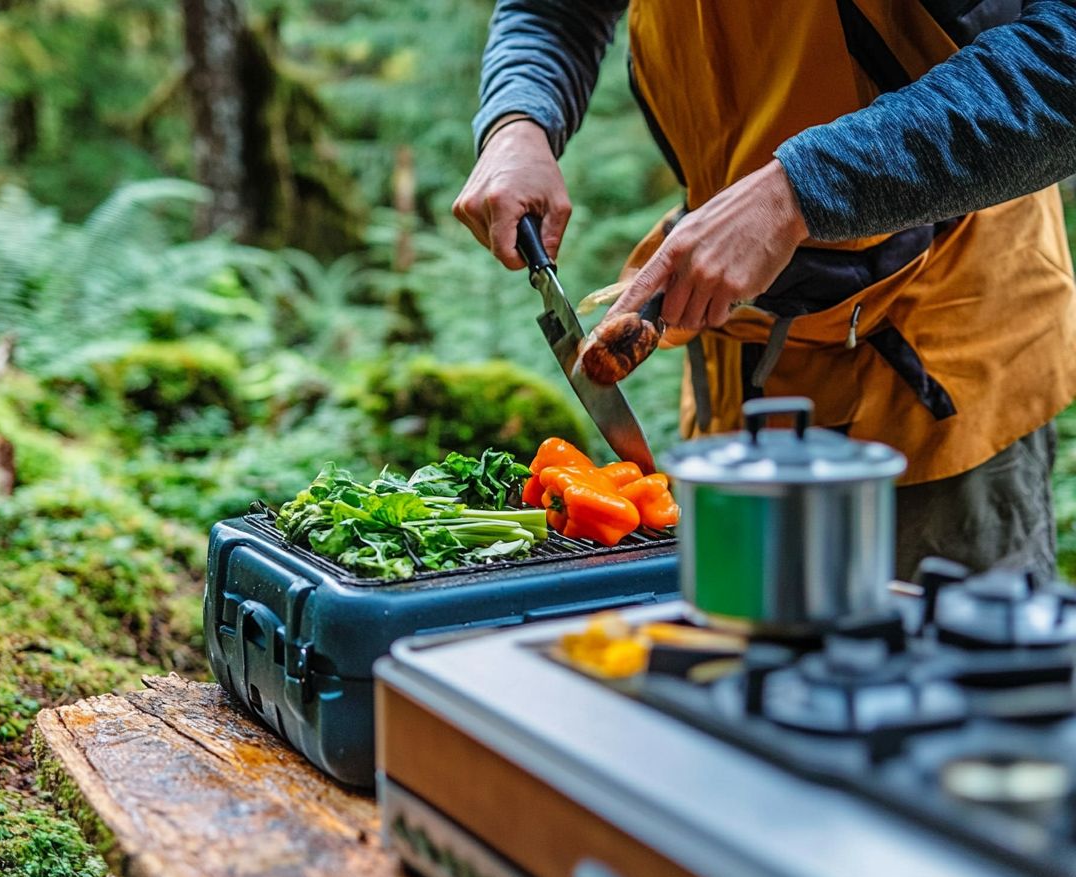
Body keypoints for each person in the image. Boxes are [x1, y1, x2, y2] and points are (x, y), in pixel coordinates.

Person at [452, 0, 1076, 580]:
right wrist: (519, 117)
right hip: (735, 378)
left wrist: (798, 191)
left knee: (945, 686)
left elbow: (1062, 61)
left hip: (935, 372)